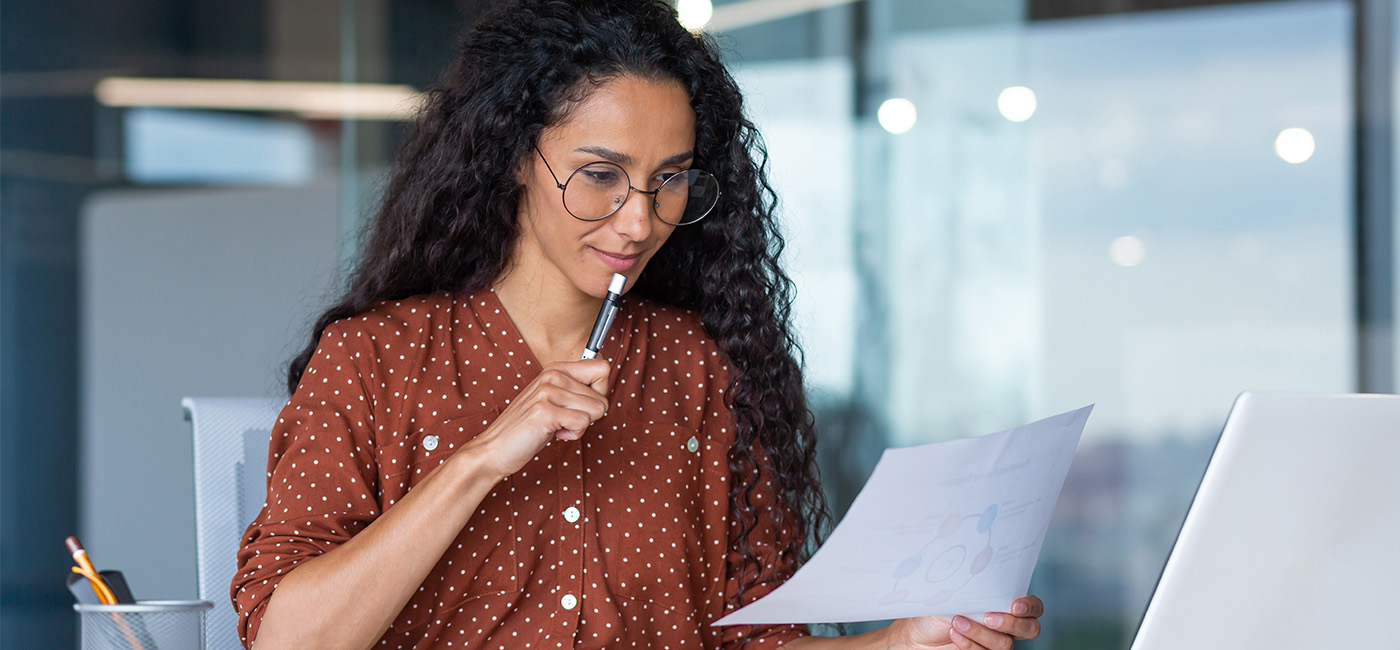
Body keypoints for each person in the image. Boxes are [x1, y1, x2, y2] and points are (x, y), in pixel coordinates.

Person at [231, 1, 1045, 648]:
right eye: (600, 177)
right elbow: (286, 638)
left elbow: (750, 644)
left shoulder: (703, 369)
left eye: (670, 181)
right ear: (516, 155)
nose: (637, 221)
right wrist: (477, 463)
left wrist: (901, 642)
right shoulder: (378, 358)